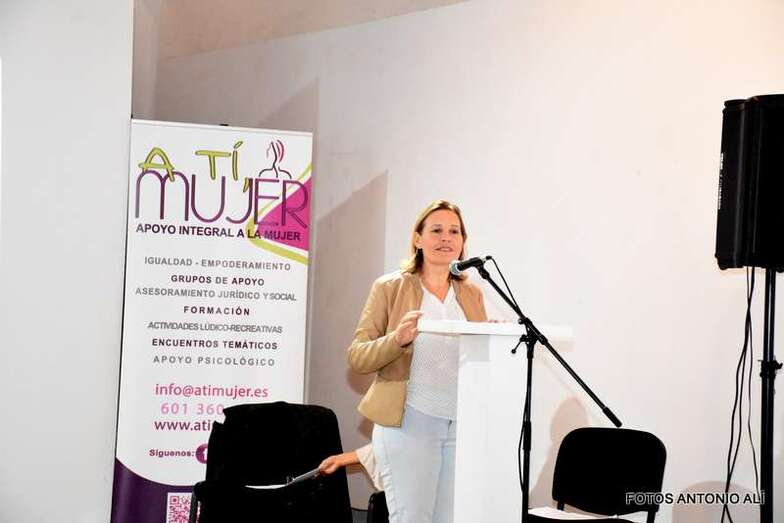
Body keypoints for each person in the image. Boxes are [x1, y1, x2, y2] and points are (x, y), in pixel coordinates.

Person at [346, 200, 487, 523]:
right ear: (417, 238)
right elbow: (357, 355)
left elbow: (477, 359)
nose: (446, 237)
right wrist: (396, 339)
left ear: (463, 241)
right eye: (436, 230)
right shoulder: (390, 287)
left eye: (454, 231)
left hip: (461, 423)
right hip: (409, 421)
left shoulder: (472, 294)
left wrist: (493, 339)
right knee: (412, 518)